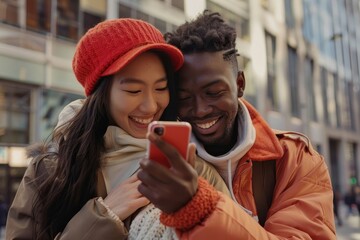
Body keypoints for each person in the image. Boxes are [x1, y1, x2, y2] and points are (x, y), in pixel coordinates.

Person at [5, 18, 228, 240]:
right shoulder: (50, 170)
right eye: (133, 91)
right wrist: (102, 217)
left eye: (161, 88)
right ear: (102, 95)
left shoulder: (196, 173)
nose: (151, 106)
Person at [137, 10, 336, 239]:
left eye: (214, 92)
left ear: (240, 84)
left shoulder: (296, 159)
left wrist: (197, 208)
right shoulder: (158, 159)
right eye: (184, 98)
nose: (201, 109)